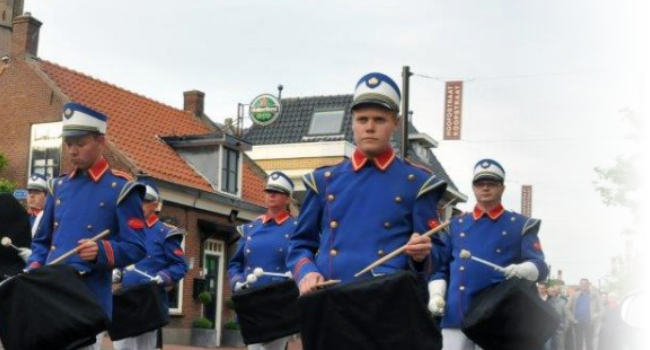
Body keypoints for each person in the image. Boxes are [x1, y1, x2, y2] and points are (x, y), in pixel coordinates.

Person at [287, 72, 447, 295]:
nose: (369, 127)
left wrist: (422, 254)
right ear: (352, 123)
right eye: (362, 119)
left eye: (379, 120)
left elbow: (438, 255)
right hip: (329, 301)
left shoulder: (418, 183)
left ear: (396, 123)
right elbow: (300, 245)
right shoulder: (324, 181)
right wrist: (306, 272)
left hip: (388, 307)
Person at [26, 102, 148, 350]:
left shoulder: (121, 188)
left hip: (87, 296)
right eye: (69, 144)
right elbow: (41, 242)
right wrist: (35, 266)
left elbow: (137, 247)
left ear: (100, 142)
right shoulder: (58, 186)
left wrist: (101, 251)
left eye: (80, 144)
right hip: (52, 290)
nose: (72, 151)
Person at [428, 159, 548, 350]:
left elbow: (540, 266)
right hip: (457, 313)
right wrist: (436, 295)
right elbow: (439, 269)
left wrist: (523, 269)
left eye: (491, 183)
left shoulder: (521, 225)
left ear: (502, 188)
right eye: (479, 183)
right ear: (473, 188)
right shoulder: (454, 225)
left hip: (499, 315)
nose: (485, 188)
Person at [226, 172, 298, 350]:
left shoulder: (297, 228)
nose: (271, 195)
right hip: (252, 300)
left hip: (279, 302)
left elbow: (304, 260)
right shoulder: (251, 228)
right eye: (268, 191)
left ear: (287, 199)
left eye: (277, 192)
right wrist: (237, 282)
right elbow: (235, 264)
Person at [113, 183, 187, 350]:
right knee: (121, 346)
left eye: (144, 202)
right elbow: (121, 256)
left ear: (155, 205)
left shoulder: (165, 233)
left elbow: (180, 265)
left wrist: (164, 276)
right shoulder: (126, 231)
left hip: (149, 302)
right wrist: (117, 271)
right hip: (126, 299)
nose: (139, 206)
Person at [567, 278, 604, 350]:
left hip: (590, 323)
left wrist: (595, 316)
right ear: (580, 285)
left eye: (585, 284)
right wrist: (573, 319)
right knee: (578, 344)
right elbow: (567, 308)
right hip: (577, 323)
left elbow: (602, 309)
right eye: (582, 284)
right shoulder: (574, 295)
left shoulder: (595, 295)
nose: (583, 285)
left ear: (588, 285)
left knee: (589, 344)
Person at [24, 173, 52, 260]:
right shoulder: (23, 217)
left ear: (46, 196)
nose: (31, 196)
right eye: (29, 192)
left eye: (37, 192)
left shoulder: (52, 218)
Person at [549, 286, 569, 350]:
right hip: (550, 328)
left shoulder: (563, 302)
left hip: (560, 328)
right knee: (550, 346)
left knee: (560, 346)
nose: (554, 292)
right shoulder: (548, 302)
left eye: (555, 290)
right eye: (552, 291)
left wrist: (566, 326)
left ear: (558, 292)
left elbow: (566, 315)